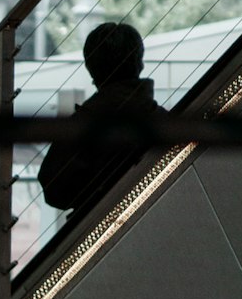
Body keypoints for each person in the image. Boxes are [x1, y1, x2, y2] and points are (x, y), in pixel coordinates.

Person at [38, 20, 160, 217]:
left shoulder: (81, 127)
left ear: (92, 70)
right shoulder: (166, 124)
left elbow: (55, 192)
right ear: (140, 63)